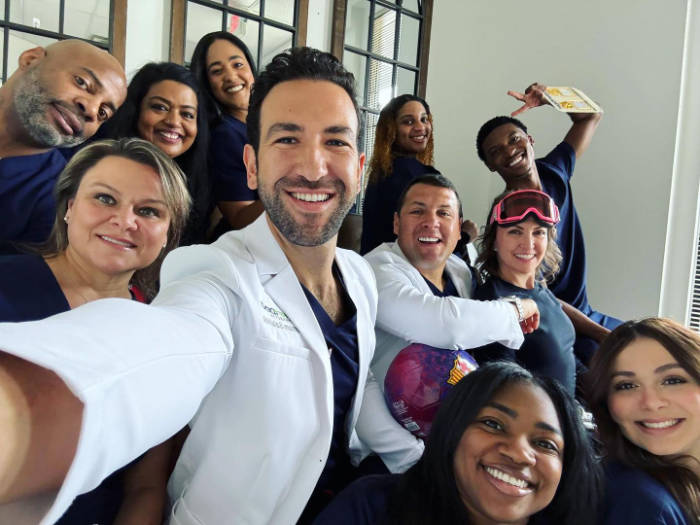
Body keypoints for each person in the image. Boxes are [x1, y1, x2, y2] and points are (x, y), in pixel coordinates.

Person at [0, 47, 423, 525]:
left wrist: (413, 459)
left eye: (336, 142)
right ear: (252, 166)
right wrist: (21, 416)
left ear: (361, 165)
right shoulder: (213, 274)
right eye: (287, 139)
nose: (313, 166)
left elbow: (350, 380)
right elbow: (161, 351)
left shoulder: (360, 275)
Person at [0, 137, 190, 524]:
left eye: (149, 210)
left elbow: (145, 486)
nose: (125, 220)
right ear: (69, 208)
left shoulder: (160, 334)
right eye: (105, 199)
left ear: (169, 234)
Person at [313, 361, 602, 525]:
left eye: (545, 443)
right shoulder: (372, 506)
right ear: (453, 429)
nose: (519, 454)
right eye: (493, 424)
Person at [475, 82, 620, 365]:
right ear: (492, 165)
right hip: (555, 324)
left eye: (515, 139)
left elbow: (591, 115)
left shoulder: (553, 171)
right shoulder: (510, 215)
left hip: (586, 311)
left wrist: (552, 97)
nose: (509, 150)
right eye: (496, 151)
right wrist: (602, 335)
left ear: (530, 140)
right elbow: (541, 299)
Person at [364, 173, 539, 385]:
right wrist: (516, 309)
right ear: (396, 223)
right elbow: (446, 324)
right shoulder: (374, 270)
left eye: (444, 213)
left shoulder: (461, 270)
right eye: (417, 211)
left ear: (458, 228)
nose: (431, 222)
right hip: (381, 410)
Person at [0, 39, 127, 247]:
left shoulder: (61, 199)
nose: (91, 110)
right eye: (82, 82)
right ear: (30, 59)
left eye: (103, 112)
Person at [587, 318, 700, 524]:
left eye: (672, 380)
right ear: (606, 404)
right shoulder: (642, 505)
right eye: (627, 385)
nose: (651, 403)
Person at [474, 189, 577, 394]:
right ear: (494, 240)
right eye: (515, 231)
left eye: (538, 232)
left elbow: (566, 356)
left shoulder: (541, 291)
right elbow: (503, 392)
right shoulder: (496, 305)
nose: (528, 244)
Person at [99, 62, 211, 245]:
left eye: (187, 114)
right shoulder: (98, 168)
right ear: (136, 111)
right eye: (160, 107)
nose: (174, 121)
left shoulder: (197, 184)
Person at [361, 95, 477, 255]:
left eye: (424, 119)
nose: (420, 127)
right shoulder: (409, 175)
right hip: (406, 272)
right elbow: (425, 240)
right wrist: (465, 235)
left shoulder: (383, 172)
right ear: (391, 129)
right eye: (408, 121)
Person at [190, 31, 264, 231]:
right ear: (207, 83)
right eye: (216, 71)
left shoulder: (266, 126)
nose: (231, 76)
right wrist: (290, 189)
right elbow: (240, 218)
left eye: (238, 64)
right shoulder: (225, 135)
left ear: (251, 69)